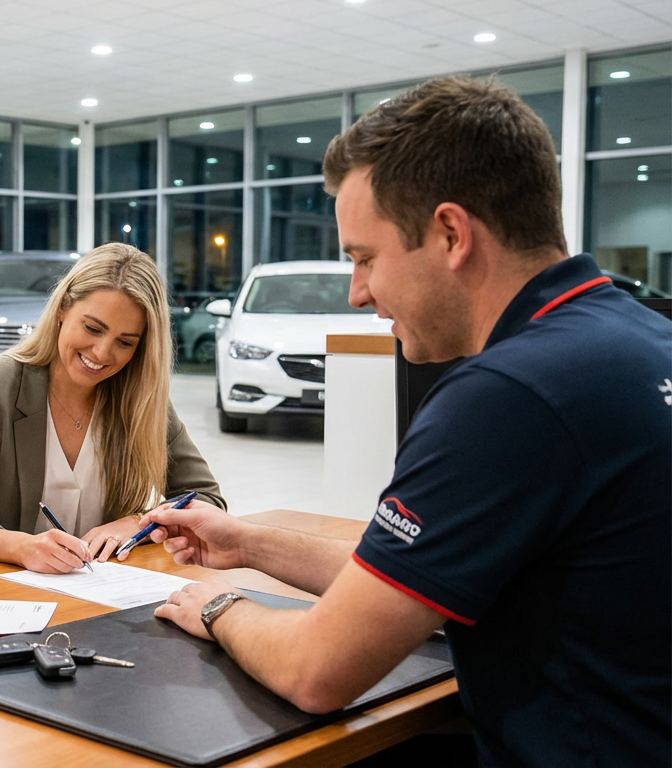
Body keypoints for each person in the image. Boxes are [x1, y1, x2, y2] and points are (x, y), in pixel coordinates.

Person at [148, 76, 671, 766]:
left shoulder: (506, 395)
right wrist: (246, 545)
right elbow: (415, 576)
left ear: (451, 233)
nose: (358, 291)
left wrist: (218, 609)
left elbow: (317, 671)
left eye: (364, 258)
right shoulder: (638, 340)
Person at [0, 243, 226, 573]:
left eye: (125, 342)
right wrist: (22, 547)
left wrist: (138, 523)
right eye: (92, 328)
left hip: (91, 594)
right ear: (61, 309)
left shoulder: (141, 400)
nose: (102, 353)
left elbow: (206, 499)